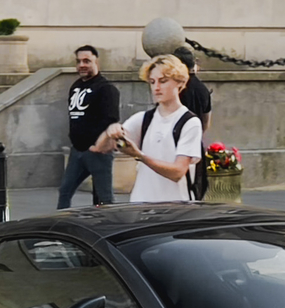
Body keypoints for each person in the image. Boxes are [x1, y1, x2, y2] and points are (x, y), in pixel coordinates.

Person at [97, 54, 204, 205]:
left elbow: (178, 172)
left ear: (180, 83)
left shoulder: (189, 122)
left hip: (175, 208)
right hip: (140, 204)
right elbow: (102, 148)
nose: (156, 88)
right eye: (152, 82)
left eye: (163, 81)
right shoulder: (144, 118)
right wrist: (110, 132)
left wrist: (140, 155)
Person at [58, 44, 119, 208]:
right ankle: (60, 224)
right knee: (65, 190)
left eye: (86, 61)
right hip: (77, 150)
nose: (81, 65)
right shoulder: (75, 86)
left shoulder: (106, 89)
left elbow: (112, 120)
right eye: (78, 61)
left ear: (96, 62)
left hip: (98, 151)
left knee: (104, 198)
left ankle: (107, 226)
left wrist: (101, 144)